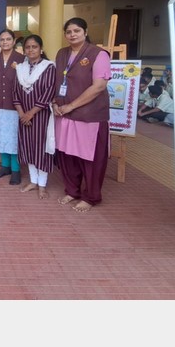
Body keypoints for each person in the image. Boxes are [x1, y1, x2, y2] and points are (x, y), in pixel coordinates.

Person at [52, 17, 112, 212]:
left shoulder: (98, 54)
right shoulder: (62, 54)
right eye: (68, 32)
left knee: (90, 158)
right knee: (67, 156)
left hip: (89, 116)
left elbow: (99, 86)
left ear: (85, 32)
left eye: (76, 31)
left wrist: (71, 106)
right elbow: (55, 82)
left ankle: (91, 196)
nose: (72, 35)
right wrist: (54, 102)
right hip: (64, 114)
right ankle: (72, 190)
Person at [13, 34, 56, 199]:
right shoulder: (21, 68)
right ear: (24, 50)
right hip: (24, 117)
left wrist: (31, 113)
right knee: (29, 148)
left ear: (41, 49)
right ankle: (33, 181)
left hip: (41, 116)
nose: (31, 50)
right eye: (28, 47)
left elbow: (48, 92)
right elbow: (15, 93)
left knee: (41, 149)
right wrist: (22, 114)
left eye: (34, 47)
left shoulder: (49, 67)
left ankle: (42, 185)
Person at [0, 28, 25, 185]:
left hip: (14, 105)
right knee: (1, 135)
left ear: (14, 41)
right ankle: (5, 166)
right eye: (2, 39)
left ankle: (16, 170)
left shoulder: (22, 59)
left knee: (13, 138)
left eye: (8, 39)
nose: (5, 42)